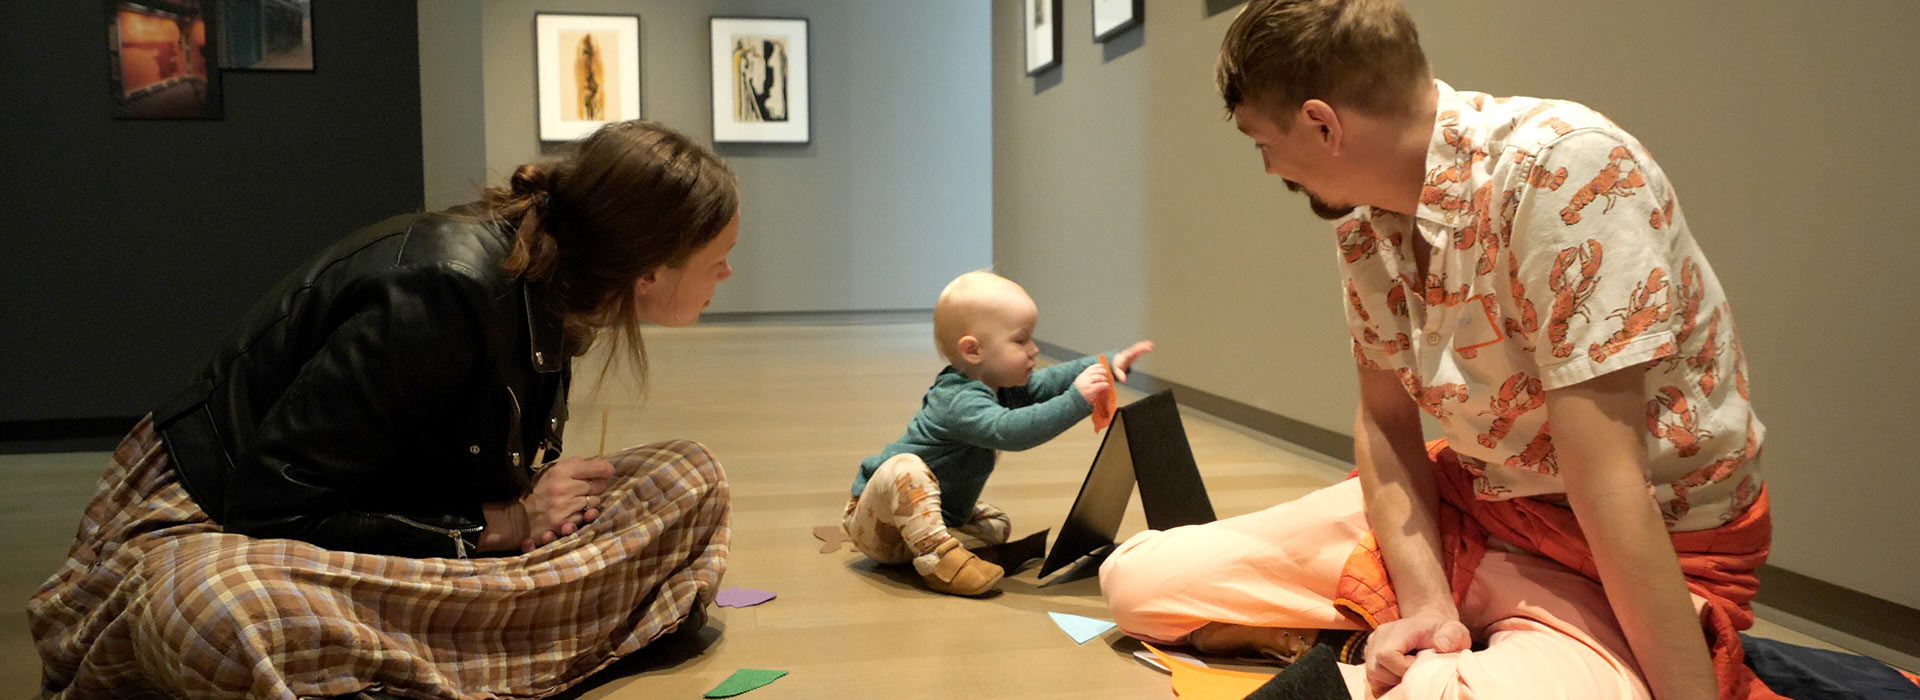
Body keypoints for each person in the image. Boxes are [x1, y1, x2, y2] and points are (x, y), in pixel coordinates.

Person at [1098, 2, 1774, 700]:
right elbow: (1383, 423)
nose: (1269, 169)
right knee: (1140, 582)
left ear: (1322, 124)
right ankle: (1460, 635)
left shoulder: (1562, 167)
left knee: (1436, 696)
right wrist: (1428, 609)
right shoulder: (1367, 228)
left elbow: (1606, 477)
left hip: (1626, 552)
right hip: (1476, 508)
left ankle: (1473, 650)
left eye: (1262, 142)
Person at [29, 120, 740, 700]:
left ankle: (415, 657)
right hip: (216, 525)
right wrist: (508, 521)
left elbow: (428, 454)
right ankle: (503, 644)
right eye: (718, 257)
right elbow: (269, 509)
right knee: (217, 610)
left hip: (398, 536)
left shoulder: (556, 286)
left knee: (688, 477)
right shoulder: (440, 291)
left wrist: (525, 499)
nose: (727, 275)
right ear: (649, 270)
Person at [844, 271, 1153, 596]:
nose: (1033, 349)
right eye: (1021, 340)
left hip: (933, 521)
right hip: (878, 525)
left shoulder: (1000, 385)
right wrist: (1078, 399)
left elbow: (1046, 384)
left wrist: (1107, 363)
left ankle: (938, 545)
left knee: (997, 524)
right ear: (973, 350)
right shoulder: (956, 399)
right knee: (904, 468)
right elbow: (1011, 432)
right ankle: (939, 562)